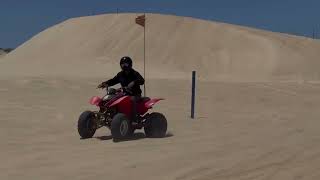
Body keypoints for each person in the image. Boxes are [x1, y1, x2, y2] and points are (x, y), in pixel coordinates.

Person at [97, 56, 145, 121]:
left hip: (135, 95)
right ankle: (107, 114)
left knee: (132, 100)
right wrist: (105, 83)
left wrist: (134, 82)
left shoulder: (134, 73)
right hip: (124, 94)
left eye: (126, 64)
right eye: (122, 64)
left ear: (130, 64)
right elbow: (113, 80)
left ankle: (134, 118)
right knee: (111, 98)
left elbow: (142, 81)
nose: (124, 66)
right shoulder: (120, 74)